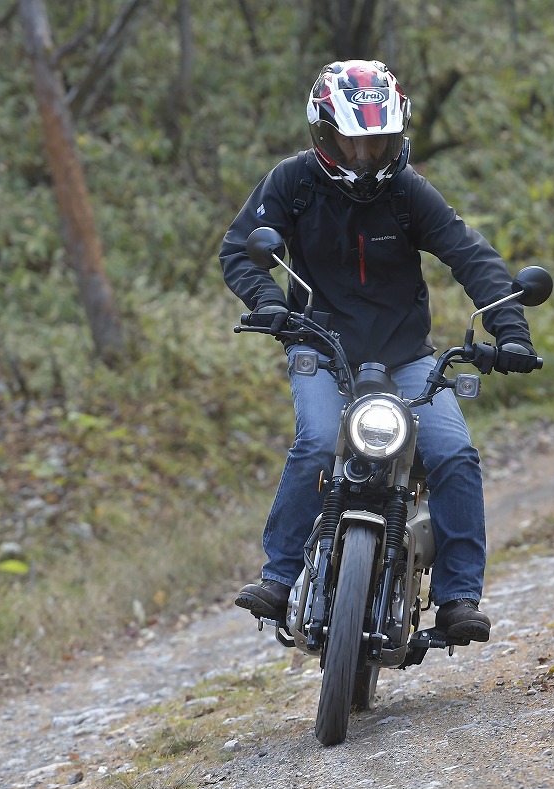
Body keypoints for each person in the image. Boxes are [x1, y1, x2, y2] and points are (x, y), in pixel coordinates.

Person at [219, 59, 536, 643]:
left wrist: (510, 328)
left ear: (398, 134)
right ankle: (280, 578)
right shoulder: (293, 182)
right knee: (316, 442)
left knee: (455, 454)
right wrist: (268, 303)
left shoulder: (408, 192)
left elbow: (471, 256)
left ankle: (459, 596)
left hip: (407, 358)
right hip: (321, 349)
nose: (367, 158)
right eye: (354, 143)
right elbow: (240, 250)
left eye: (378, 143)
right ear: (323, 132)